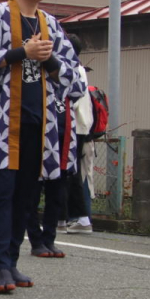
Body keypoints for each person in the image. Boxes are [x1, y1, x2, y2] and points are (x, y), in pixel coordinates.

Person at [0, 0, 78, 293]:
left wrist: (49, 59)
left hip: (40, 124)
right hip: (2, 125)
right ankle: (0, 266)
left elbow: (72, 76)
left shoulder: (52, 24)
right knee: (3, 193)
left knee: (26, 197)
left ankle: (12, 261)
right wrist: (21, 53)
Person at [26, 33, 87, 256]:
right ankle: (35, 240)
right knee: (32, 193)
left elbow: (78, 90)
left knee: (58, 192)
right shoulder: (35, 68)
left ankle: (49, 238)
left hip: (64, 138)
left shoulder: (71, 71)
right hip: (39, 137)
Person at [64, 34, 96, 235]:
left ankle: (81, 218)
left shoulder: (74, 69)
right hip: (80, 126)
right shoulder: (78, 68)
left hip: (75, 126)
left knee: (71, 172)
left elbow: (72, 99)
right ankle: (70, 217)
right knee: (71, 172)